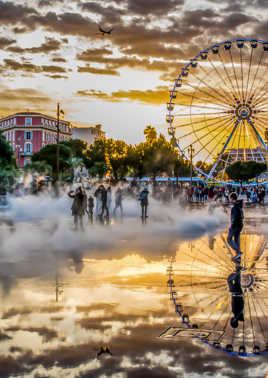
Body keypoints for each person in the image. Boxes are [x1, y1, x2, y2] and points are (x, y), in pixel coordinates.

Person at [227, 192, 243, 261]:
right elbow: (242, 216)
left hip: (236, 225)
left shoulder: (235, 207)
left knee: (229, 239)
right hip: (240, 224)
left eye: (229, 198)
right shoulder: (239, 205)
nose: (229, 199)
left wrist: (231, 226)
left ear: (232, 198)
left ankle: (238, 252)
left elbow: (235, 217)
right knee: (236, 239)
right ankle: (238, 256)